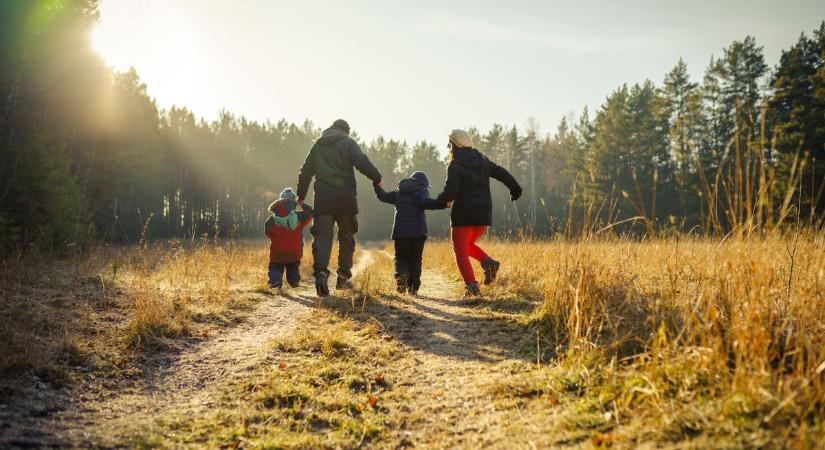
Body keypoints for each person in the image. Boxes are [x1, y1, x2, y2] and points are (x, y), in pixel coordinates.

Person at [296, 119, 383, 297]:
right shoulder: (348, 143)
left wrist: (301, 195)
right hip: (346, 200)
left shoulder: (318, 146)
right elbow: (361, 161)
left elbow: (305, 172)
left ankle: (321, 272)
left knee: (322, 237)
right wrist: (377, 177)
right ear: (346, 131)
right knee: (346, 238)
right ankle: (343, 277)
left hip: (323, 201)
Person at [434, 129, 522, 297]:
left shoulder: (456, 165)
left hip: (464, 216)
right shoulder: (482, 160)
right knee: (467, 245)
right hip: (483, 216)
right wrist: (515, 188)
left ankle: (472, 288)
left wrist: (437, 201)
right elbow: (500, 172)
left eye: (449, 145)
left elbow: (450, 193)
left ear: (454, 146)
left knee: (460, 250)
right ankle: (488, 264)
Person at [374, 171, 448, 295]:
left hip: (401, 230)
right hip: (418, 231)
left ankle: (402, 277)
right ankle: (413, 288)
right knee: (415, 258)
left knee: (401, 257)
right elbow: (427, 203)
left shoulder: (399, 190)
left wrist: (377, 185)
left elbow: (383, 196)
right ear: (424, 183)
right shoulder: (422, 189)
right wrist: (444, 204)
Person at [265, 188, 314, 289]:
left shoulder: (272, 219)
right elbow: (310, 212)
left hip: (277, 251)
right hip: (294, 251)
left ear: (279, 200)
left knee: (275, 267)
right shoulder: (299, 217)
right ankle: (294, 281)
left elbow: (268, 233)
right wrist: (301, 203)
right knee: (293, 266)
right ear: (294, 202)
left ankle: (275, 284)